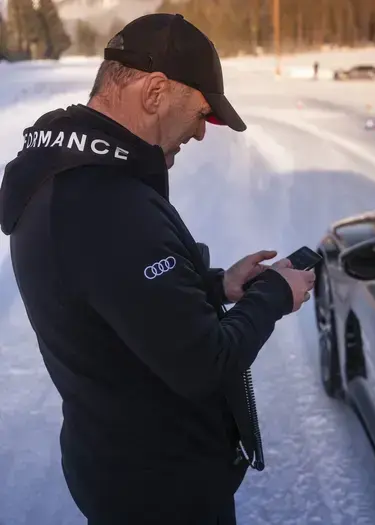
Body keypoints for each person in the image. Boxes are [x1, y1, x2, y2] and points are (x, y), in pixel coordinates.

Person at [0, 13, 316, 525]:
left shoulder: (69, 177)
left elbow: (119, 302)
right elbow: (205, 363)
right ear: (155, 92)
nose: (199, 133)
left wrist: (216, 285)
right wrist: (276, 293)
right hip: (161, 493)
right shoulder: (105, 204)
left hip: (120, 467)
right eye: (200, 113)